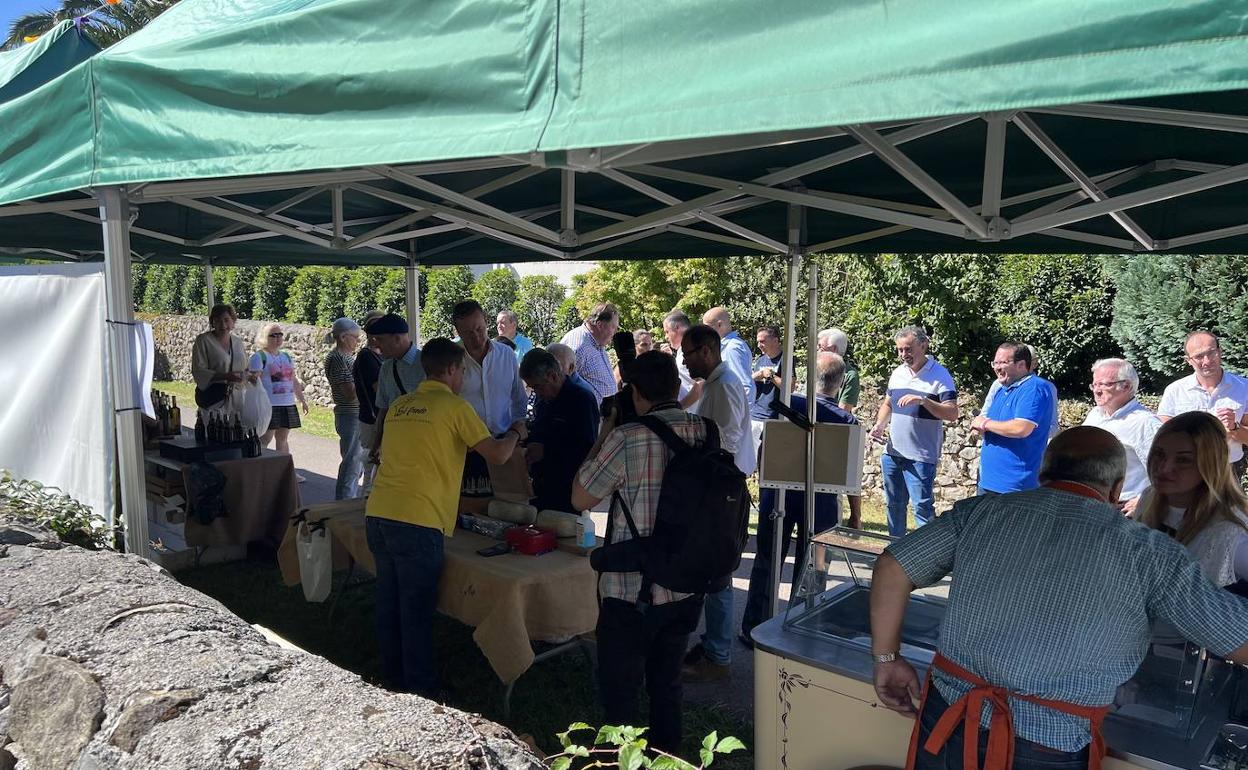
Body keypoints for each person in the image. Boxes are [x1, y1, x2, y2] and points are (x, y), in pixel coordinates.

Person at [870, 426, 1248, 770]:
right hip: (1049, 740)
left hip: (948, 713)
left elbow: (892, 566)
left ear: (1042, 473)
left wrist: (886, 659)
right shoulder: (1149, 552)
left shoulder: (983, 511)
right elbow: (1239, 642)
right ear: (1116, 490)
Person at [570, 350, 708, 754]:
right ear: (675, 387)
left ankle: (620, 759)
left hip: (631, 590)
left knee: (620, 693)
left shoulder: (626, 438)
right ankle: (668, 757)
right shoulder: (705, 430)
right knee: (667, 685)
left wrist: (607, 427)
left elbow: (580, 496)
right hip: (685, 583)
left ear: (633, 391)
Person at [365, 338, 519, 697]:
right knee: (416, 608)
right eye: (463, 370)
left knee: (390, 602)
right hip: (418, 519)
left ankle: (392, 678)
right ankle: (420, 690)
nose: (464, 376)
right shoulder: (455, 407)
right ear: (451, 370)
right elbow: (497, 455)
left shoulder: (402, 404)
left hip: (379, 512)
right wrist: (515, 431)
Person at [742, 352, 861, 643]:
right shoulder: (847, 420)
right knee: (813, 567)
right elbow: (852, 475)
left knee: (768, 560)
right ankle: (802, 630)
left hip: (779, 494)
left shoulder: (785, 405)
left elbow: (763, 446)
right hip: (821, 501)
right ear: (841, 382)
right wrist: (855, 515)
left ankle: (754, 627)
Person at [680, 323, 752, 683]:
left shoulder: (723, 385)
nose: (684, 361)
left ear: (706, 351)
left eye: (688, 354)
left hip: (722, 490)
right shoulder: (715, 383)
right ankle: (712, 645)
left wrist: (693, 450)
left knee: (719, 573)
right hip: (717, 486)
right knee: (712, 569)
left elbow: (726, 438)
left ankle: (719, 654)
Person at [1137, 411, 1248, 587]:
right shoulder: (1148, 498)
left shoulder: (1230, 531)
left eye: (1183, 460)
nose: (1165, 468)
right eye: (1159, 454)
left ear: (1210, 463)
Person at [870, 326, 959, 537]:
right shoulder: (898, 373)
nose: (904, 355)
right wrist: (880, 424)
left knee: (922, 509)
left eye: (908, 349)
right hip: (893, 453)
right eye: (900, 350)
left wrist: (924, 401)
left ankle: (926, 560)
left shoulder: (940, 375)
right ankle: (895, 555)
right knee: (893, 506)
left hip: (920, 456)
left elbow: (952, 413)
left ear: (923, 345)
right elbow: (888, 404)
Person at [1158, 331, 1248, 480]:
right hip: (1186, 469)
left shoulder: (1244, 387)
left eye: (1211, 353)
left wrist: (1234, 428)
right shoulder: (1175, 390)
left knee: (1230, 505)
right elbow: (1163, 436)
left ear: (1220, 352)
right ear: (1188, 360)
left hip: (1228, 470)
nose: (1207, 361)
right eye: (1199, 356)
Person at [521, 348, 600, 513]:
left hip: (569, 489)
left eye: (538, 387)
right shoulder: (543, 400)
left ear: (553, 376)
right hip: (541, 486)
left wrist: (546, 451)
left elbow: (587, 448)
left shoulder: (581, 399)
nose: (536, 393)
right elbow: (540, 432)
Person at [1081, 357, 1160, 515]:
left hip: (1125, 510)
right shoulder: (1095, 415)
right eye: (1094, 384)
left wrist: (1144, 500)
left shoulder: (1144, 423)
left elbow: (1165, 471)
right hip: (1093, 505)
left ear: (1127, 386)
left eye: (1104, 384)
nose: (1097, 390)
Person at [973, 343, 1055, 494]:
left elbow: (1021, 428)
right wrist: (982, 428)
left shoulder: (1034, 388)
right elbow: (996, 427)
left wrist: (985, 423)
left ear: (1021, 365)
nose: (997, 367)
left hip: (1014, 486)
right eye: (995, 363)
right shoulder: (1001, 389)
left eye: (1003, 362)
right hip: (989, 481)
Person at [451, 301, 527, 437]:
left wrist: (516, 433)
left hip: (504, 439)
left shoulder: (507, 354)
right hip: (465, 445)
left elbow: (518, 397)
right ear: (458, 332)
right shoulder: (450, 359)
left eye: (479, 329)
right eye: (468, 333)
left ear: (486, 321)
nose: (476, 337)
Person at [366, 313, 424, 461]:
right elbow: (383, 409)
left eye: (380, 339)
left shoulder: (426, 364)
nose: (376, 345)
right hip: (395, 446)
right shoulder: (386, 368)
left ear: (397, 338)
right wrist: (376, 445)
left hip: (422, 445)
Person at [249, 323, 309, 457]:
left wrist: (302, 400)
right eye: (273, 335)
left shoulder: (286, 356)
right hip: (269, 405)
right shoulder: (259, 357)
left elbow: (293, 380)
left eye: (280, 334)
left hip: (287, 404)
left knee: (282, 439)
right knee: (265, 439)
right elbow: (252, 380)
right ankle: (257, 467)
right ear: (265, 337)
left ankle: (284, 471)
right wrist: (252, 376)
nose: (278, 338)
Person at [324, 317, 363, 500]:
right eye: (355, 337)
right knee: (352, 463)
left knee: (356, 463)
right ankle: (344, 503)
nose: (358, 341)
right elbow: (349, 392)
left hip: (352, 414)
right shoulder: (339, 358)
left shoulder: (343, 357)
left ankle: (349, 499)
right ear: (343, 337)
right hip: (350, 414)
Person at [191, 304, 255, 410]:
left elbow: (245, 366)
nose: (223, 325)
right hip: (214, 399)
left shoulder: (237, 342)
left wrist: (250, 376)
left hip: (237, 399)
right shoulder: (203, 341)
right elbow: (199, 371)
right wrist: (225, 376)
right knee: (216, 426)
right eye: (218, 321)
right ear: (213, 322)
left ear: (233, 321)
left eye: (226, 320)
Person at [559, 302, 621, 404]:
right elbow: (561, 384)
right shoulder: (578, 345)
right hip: (585, 416)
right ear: (600, 325)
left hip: (602, 415)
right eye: (613, 327)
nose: (615, 332)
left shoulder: (597, 343)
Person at [353, 310, 385, 492]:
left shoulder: (379, 355)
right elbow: (380, 390)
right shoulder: (367, 356)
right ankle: (365, 504)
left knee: (376, 467)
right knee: (371, 466)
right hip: (372, 419)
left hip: (374, 417)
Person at [702, 306, 755, 404]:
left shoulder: (732, 348)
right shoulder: (727, 347)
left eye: (707, 327)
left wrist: (737, 416)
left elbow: (746, 387)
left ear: (719, 325)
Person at [751, 325, 785, 452]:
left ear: (775, 341)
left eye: (762, 341)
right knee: (753, 458)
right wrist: (756, 375)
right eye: (758, 341)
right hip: (755, 415)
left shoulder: (786, 360)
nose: (759, 345)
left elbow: (790, 388)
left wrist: (770, 375)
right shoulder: (760, 360)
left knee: (767, 457)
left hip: (774, 417)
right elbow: (751, 384)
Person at [662, 309, 701, 407]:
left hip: (696, 413)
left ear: (677, 328)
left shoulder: (694, 348)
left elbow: (701, 382)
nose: (666, 337)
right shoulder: (681, 351)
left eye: (667, 332)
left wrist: (680, 407)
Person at [818, 327, 860, 412]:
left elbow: (842, 412)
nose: (817, 350)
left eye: (820, 347)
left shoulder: (850, 375)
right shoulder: (817, 368)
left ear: (834, 349)